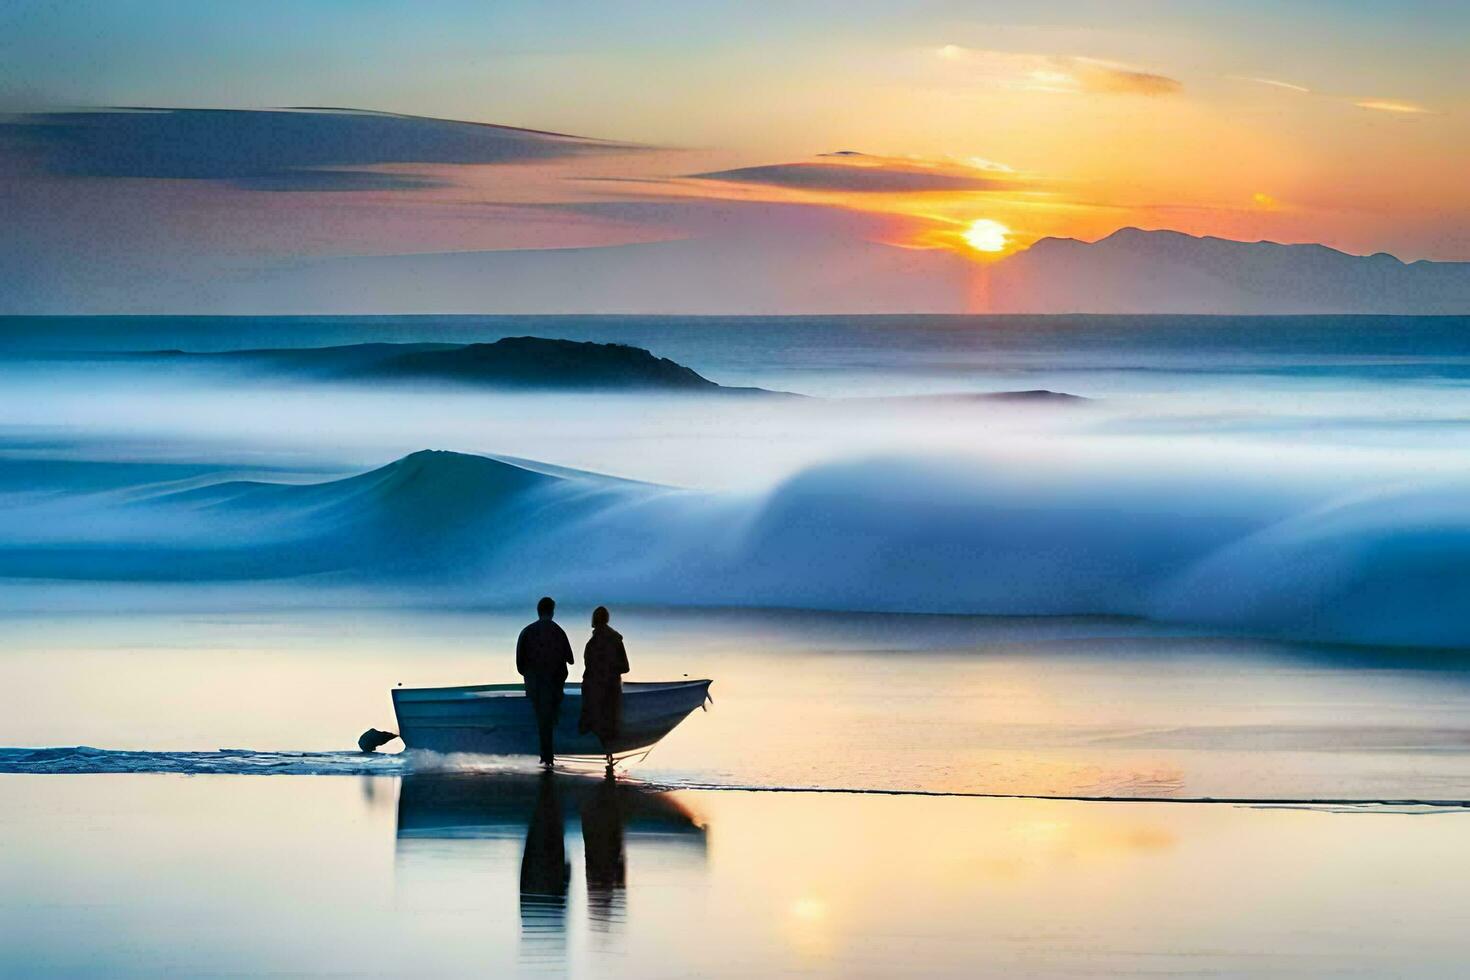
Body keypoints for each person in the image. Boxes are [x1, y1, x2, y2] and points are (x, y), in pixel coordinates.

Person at [516, 596, 574, 766]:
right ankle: (548, 757)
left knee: (543, 719)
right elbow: (570, 660)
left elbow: (520, 665)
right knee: (548, 717)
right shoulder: (558, 631)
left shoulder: (527, 632)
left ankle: (545, 757)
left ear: (538, 611)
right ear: (552, 612)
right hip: (554, 687)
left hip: (534, 686)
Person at [578, 605, 630, 761]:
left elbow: (589, 669)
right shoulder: (616, 640)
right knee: (610, 725)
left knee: (596, 723)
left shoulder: (592, 644)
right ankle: (610, 760)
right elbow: (625, 667)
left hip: (596, 690)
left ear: (594, 621)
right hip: (612, 689)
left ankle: (608, 758)